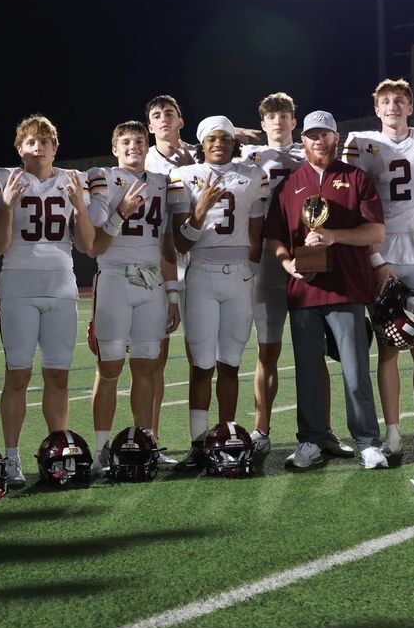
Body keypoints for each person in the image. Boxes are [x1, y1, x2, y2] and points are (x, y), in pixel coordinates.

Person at [263, 111, 388, 470]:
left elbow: (375, 232)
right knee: (307, 369)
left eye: (325, 135)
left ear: (337, 138)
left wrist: (334, 236)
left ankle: (367, 441)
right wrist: (287, 263)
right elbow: (275, 237)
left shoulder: (356, 178)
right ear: (303, 141)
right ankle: (311, 441)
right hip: (304, 291)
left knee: (354, 369)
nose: (319, 141)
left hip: (347, 288)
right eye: (312, 135)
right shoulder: (289, 185)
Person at [342, 79, 414, 462]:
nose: (392, 106)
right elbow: (352, 202)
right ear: (376, 107)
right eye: (385, 101)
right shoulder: (361, 142)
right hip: (383, 252)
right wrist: (374, 258)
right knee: (388, 346)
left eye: (399, 100)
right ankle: (392, 435)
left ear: (410, 106)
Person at [0, 114, 94, 486]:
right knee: (17, 374)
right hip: (18, 285)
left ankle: (57, 452)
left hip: (62, 286)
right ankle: (12, 457)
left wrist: (80, 206)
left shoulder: (72, 181)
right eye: (31, 141)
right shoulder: (4, 179)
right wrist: (6, 205)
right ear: (20, 148)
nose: (39, 147)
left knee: (58, 376)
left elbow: (86, 246)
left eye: (45, 141)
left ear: (55, 147)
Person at [240, 92, 350, 458]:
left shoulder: (313, 152)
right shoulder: (248, 157)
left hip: (311, 252)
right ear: (262, 123)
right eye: (270, 115)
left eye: (283, 114)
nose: (276, 120)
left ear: (293, 121)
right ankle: (261, 430)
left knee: (314, 352)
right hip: (272, 260)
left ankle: (325, 431)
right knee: (267, 350)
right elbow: (205, 156)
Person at [167, 115, 266, 471]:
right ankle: (197, 445)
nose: (219, 143)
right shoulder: (184, 176)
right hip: (201, 277)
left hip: (239, 276)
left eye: (225, 138)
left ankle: (226, 437)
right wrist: (199, 211)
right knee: (201, 365)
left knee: (231, 363)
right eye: (212, 139)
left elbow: (257, 234)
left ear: (233, 141)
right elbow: (180, 241)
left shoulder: (252, 175)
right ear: (202, 144)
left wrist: (249, 272)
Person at [86, 121, 181, 469]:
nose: (134, 146)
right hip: (114, 278)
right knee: (109, 368)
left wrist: (172, 294)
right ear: (115, 148)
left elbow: (166, 242)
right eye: (125, 141)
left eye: (140, 141)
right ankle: (100, 451)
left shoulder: (160, 182)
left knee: (146, 368)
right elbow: (95, 240)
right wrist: (121, 211)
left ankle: (144, 443)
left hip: (152, 282)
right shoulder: (102, 176)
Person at [143, 95, 195, 447]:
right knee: (154, 358)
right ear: (150, 126)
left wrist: (193, 166)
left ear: (181, 121)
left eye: (169, 114)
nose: (163, 119)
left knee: (202, 354)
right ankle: (151, 438)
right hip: (157, 266)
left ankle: (204, 436)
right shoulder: (140, 161)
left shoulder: (199, 155)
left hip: (197, 262)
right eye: (156, 115)